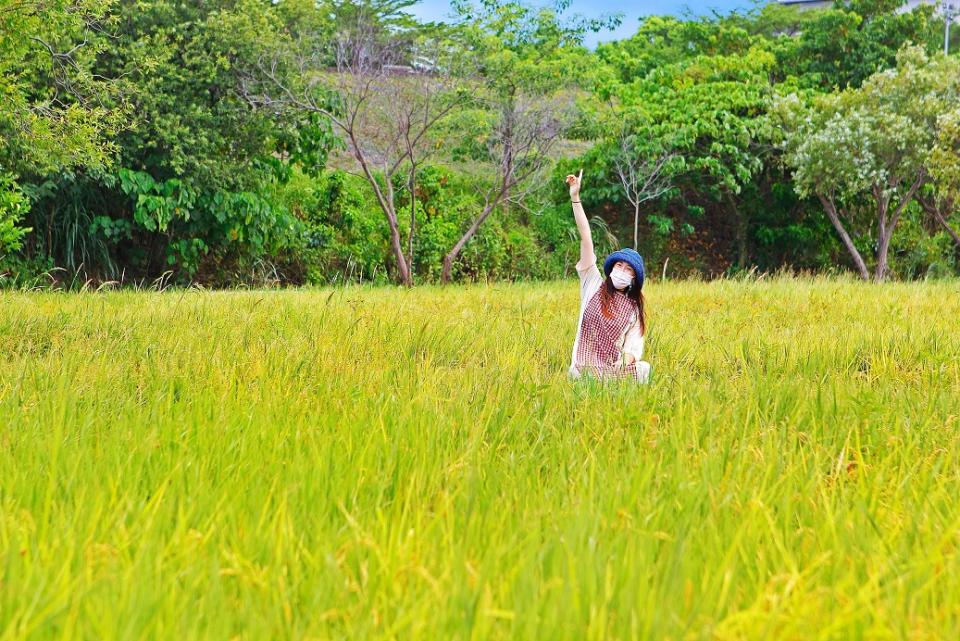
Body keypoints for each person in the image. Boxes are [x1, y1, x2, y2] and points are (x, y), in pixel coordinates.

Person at [565, 169, 651, 383]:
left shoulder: (633, 309)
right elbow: (586, 239)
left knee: (643, 369)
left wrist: (625, 360)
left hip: (612, 371)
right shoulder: (592, 283)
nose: (622, 271)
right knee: (577, 373)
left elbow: (633, 348)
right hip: (583, 369)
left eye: (628, 269)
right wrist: (575, 198)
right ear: (612, 267)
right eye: (619, 265)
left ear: (634, 278)